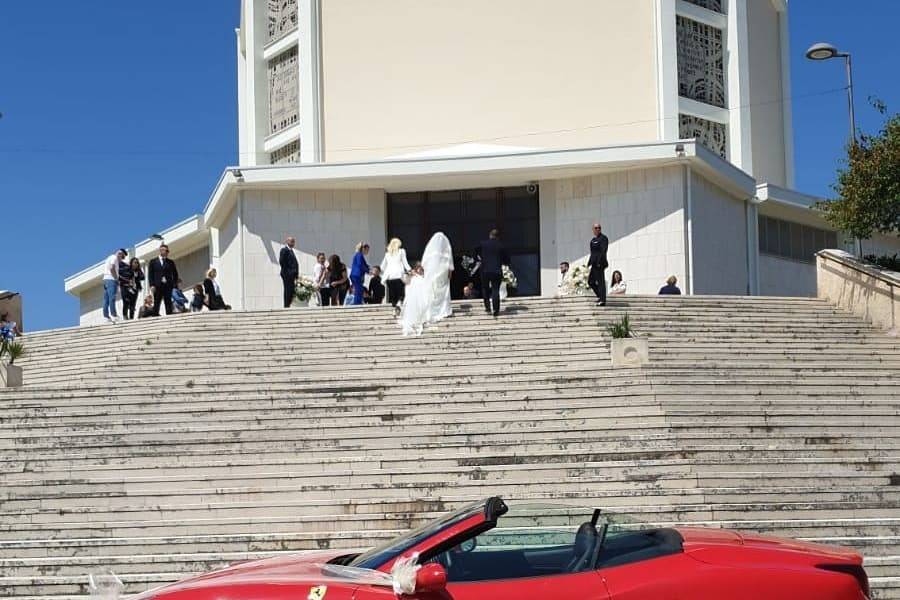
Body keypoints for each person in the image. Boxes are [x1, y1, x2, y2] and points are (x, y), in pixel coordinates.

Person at [400, 233, 454, 335]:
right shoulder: (446, 251)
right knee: (443, 294)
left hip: (433, 277)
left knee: (433, 293)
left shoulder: (431, 252)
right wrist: (449, 274)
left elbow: (424, 263)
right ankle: (444, 310)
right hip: (443, 276)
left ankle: (433, 311)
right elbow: (450, 265)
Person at [475, 229, 510, 317]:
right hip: (496, 271)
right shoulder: (501, 246)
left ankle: (487, 307)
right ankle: (496, 310)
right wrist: (503, 262)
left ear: (490, 235)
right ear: (498, 237)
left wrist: (479, 258)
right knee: (495, 290)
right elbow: (507, 260)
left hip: (485, 270)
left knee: (485, 289)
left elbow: (475, 250)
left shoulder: (483, 244)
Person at [380, 237, 412, 312]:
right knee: (401, 294)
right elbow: (405, 263)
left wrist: (382, 273)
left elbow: (382, 266)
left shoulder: (387, 254)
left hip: (389, 277)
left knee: (393, 296)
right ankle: (398, 307)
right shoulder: (401, 251)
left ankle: (395, 310)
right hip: (398, 275)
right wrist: (410, 270)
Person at [147, 244, 179, 316]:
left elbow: (175, 274)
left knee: (168, 302)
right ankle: (155, 316)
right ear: (161, 250)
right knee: (157, 302)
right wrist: (152, 285)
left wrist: (174, 284)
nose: (167, 252)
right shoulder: (153, 261)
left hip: (168, 285)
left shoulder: (170, 262)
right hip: (157, 285)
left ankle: (169, 317)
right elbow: (150, 274)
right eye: (166, 250)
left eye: (168, 251)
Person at [102, 248, 126, 323]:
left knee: (106, 299)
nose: (121, 260)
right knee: (112, 298)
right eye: (122, 257)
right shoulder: (114, 258)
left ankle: (106, 316)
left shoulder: (110, 257)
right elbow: (112, 268)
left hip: (106, 279)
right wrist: (116, 279)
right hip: (111, 280)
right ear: (120, 254)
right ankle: (114, 315)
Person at [588, 223, 609, 307]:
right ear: (593, 230)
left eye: (599, 228)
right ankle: (600, 296)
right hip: (593, 263)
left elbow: (603, 251)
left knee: (600, 282)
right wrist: (589, 263)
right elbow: (592, 253)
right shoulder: (593, 240)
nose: (598, 229)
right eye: (596, 228)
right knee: (590, 281)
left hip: (600, 263)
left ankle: (602, 300)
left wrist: (600, 262)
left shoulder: (603, 238)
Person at [279, 236, 299, 309]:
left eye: (293, 241)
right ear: (287, 242)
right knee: (288, 290)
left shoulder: (291, 250)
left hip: (292, 275)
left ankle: (289, 304)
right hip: (287, 275)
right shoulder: (284, 250)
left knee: (291, 290)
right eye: (291, 241)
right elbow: (282, 262)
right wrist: (289, 272)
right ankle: (286, 306)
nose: (293, 243)